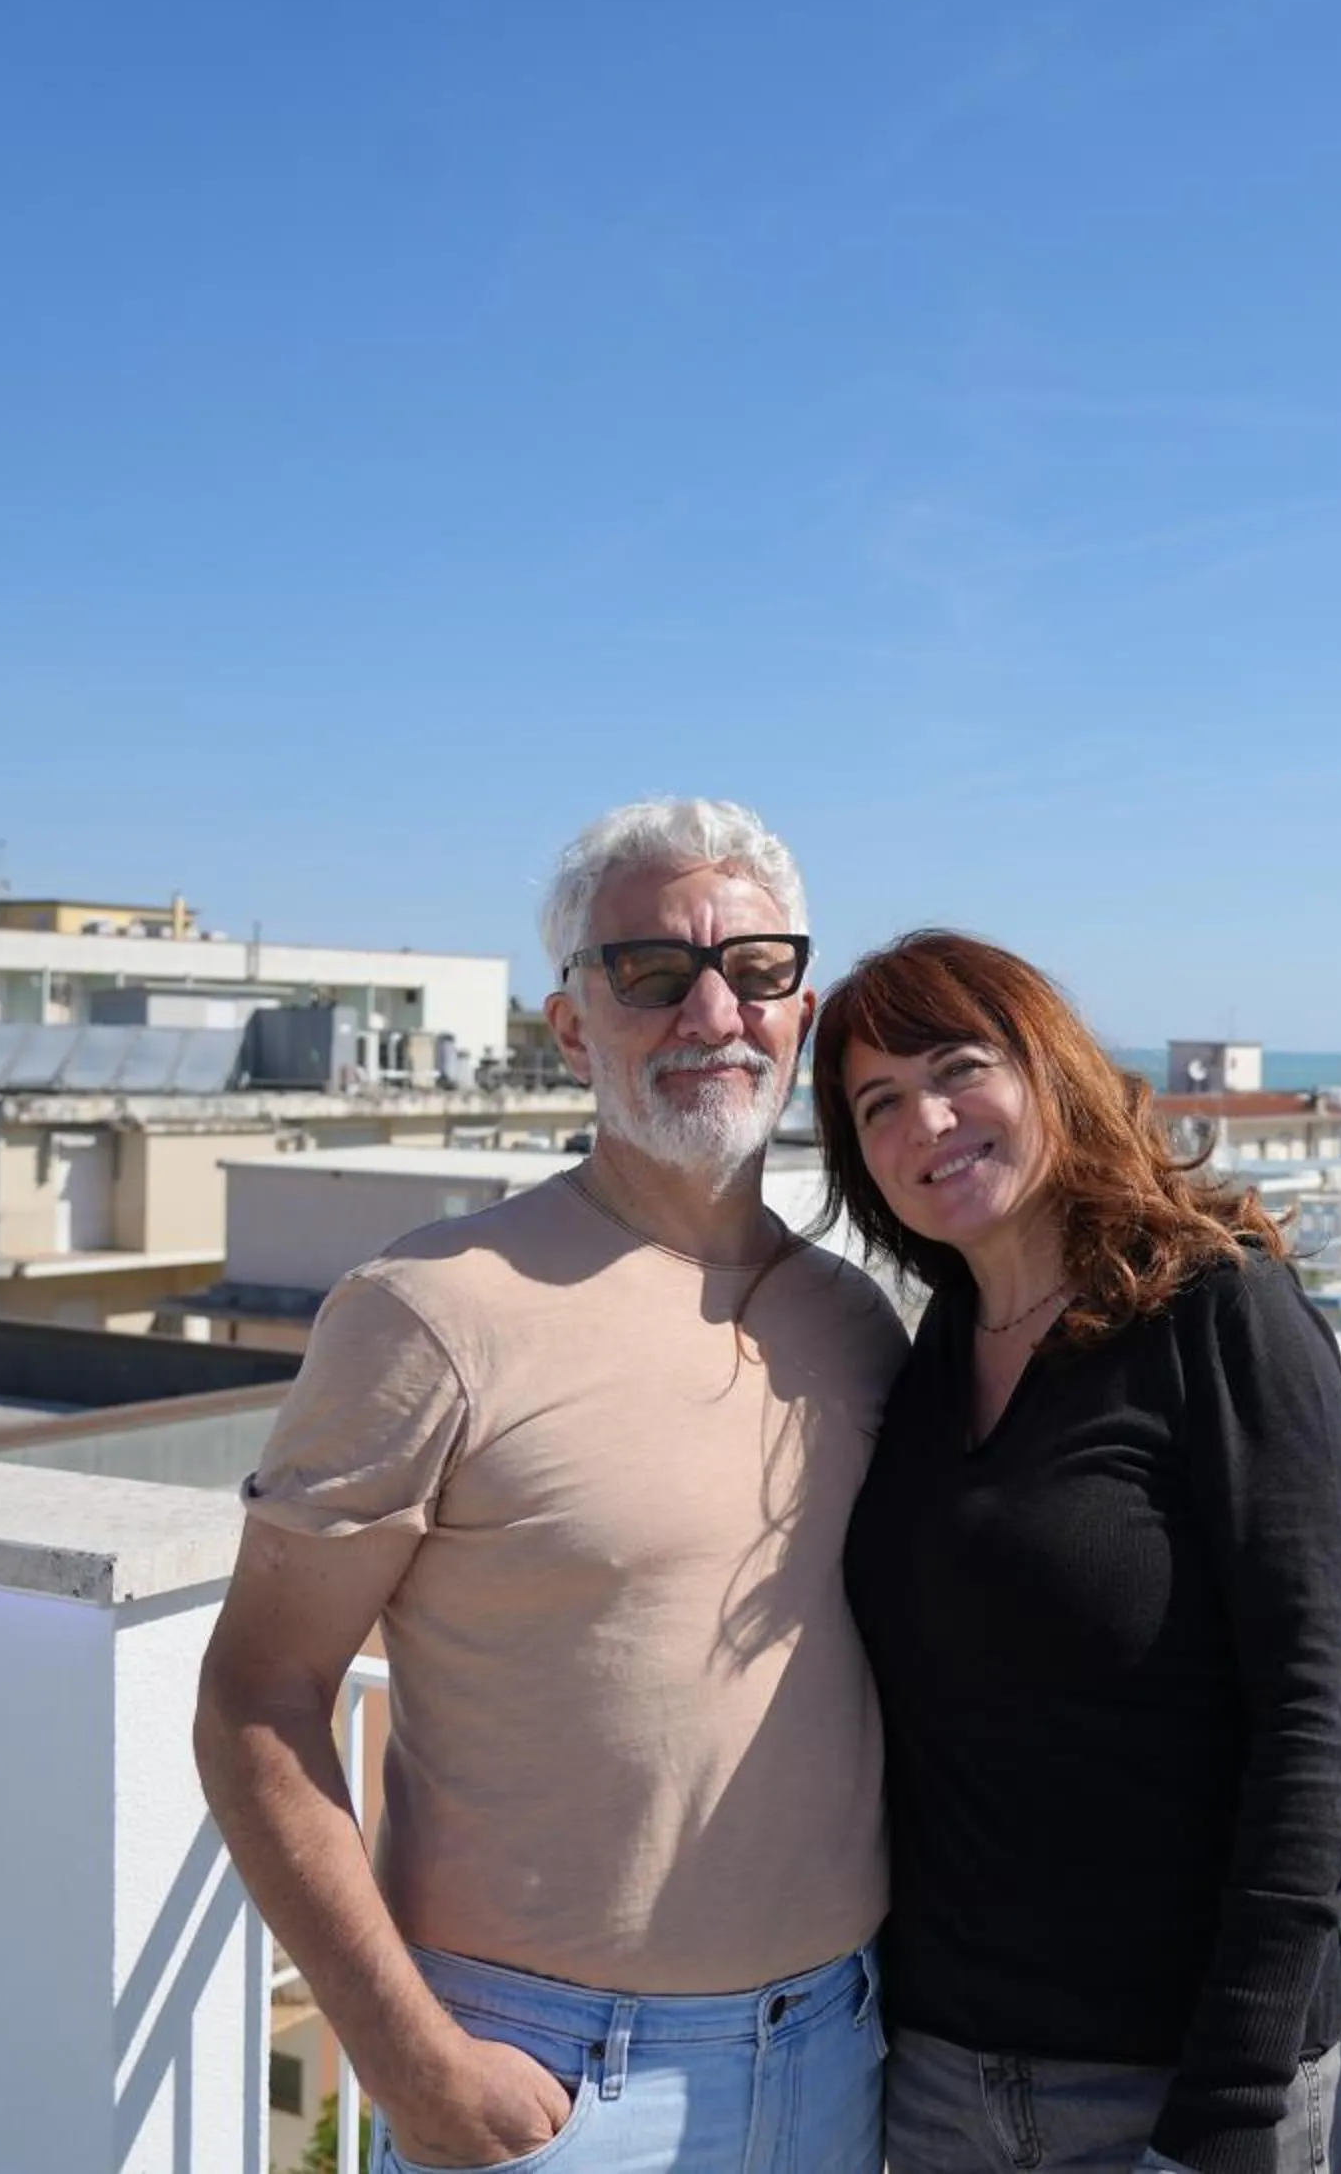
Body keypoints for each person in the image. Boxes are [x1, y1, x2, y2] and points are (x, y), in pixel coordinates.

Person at [196, 798, 908, 2174]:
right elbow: (257, 1701)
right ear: (572, 1025)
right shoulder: (429, 1309)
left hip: (837, 2051)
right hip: (557, 2081)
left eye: (756, 971)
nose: (712, 1009)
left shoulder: (855, 1320)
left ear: (800, 1014)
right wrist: (415, 2066)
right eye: (651, 971)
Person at [817, 930, 1341, 2174]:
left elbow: (1312, 1725)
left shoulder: (1222, 1314)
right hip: (945, 2075)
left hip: (1187, 2083)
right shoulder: (928, 1362)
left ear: (1050, 1070)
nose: (929, 1120)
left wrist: (1231, 2099)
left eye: (960, 1068)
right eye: (880, 1102)